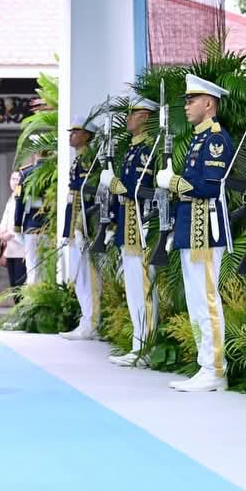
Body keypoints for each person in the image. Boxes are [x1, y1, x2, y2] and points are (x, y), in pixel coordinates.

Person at [155, 74, 233, 392]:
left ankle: (215, 369)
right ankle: (206, 366)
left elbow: (207, 187)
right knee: (196, 301)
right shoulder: (198, 139)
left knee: (207, 300)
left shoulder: (216, 139)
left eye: (192, 100)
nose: (186, 105)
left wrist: (172, 182)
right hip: (192, 229)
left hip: (207, 231)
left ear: (209, 104)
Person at [101, 97, 158, 367]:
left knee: (143, 287)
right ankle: (138, 344)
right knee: (134, 288)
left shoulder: (148, 149)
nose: (128, 118)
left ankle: (145, 347)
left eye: (133, 113)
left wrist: (113, 183)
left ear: (145, 117)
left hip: (141, 226)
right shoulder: (133, 149)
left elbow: (139, 189)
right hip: (128, 225)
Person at [59, 114, 101, 340]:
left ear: (87, 136)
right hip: (76, 223)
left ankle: (92, 322)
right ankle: (86, 320)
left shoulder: (88, 160)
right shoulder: (79, 159)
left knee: (87, 275)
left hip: (85, 224)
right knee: (79, 275)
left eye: (76, 132)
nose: (71, 136)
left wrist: (80, 227)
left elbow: (88, 196)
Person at [13, 152, 46, 284]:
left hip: (31, 225)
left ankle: (34, 294)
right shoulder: (55, 170)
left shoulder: (25, 173)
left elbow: (19, 201)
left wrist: (17, 226)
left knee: (32, 268)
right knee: (48, 268)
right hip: (51, 226)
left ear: (35, 153)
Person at [0, 171, 26, 290]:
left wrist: (10, 234)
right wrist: (0, 232)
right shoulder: (11, 198)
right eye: (12, 179)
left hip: (21, 248)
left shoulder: (23, 198)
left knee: (20, 283)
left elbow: (24, 221)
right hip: (10, 250)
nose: (15, 182)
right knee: (13, 284)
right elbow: (5, 221)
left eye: (17, 179)